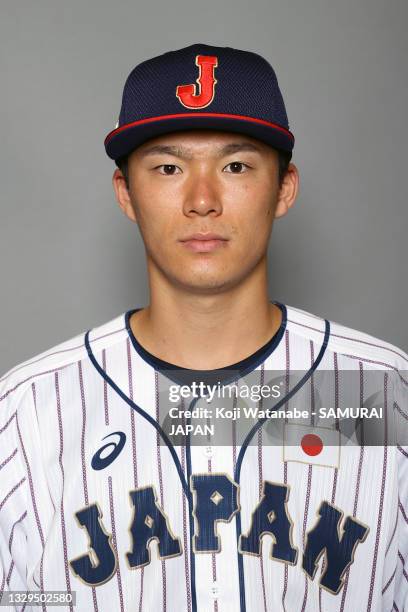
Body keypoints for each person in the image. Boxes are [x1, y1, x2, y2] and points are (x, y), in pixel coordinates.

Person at [0, 43, 407, 612]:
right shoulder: (26, 415)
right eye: (168, 168)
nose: (202, 201)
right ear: (127, 194)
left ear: (284, 188)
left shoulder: (383, 393)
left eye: (235, 166)